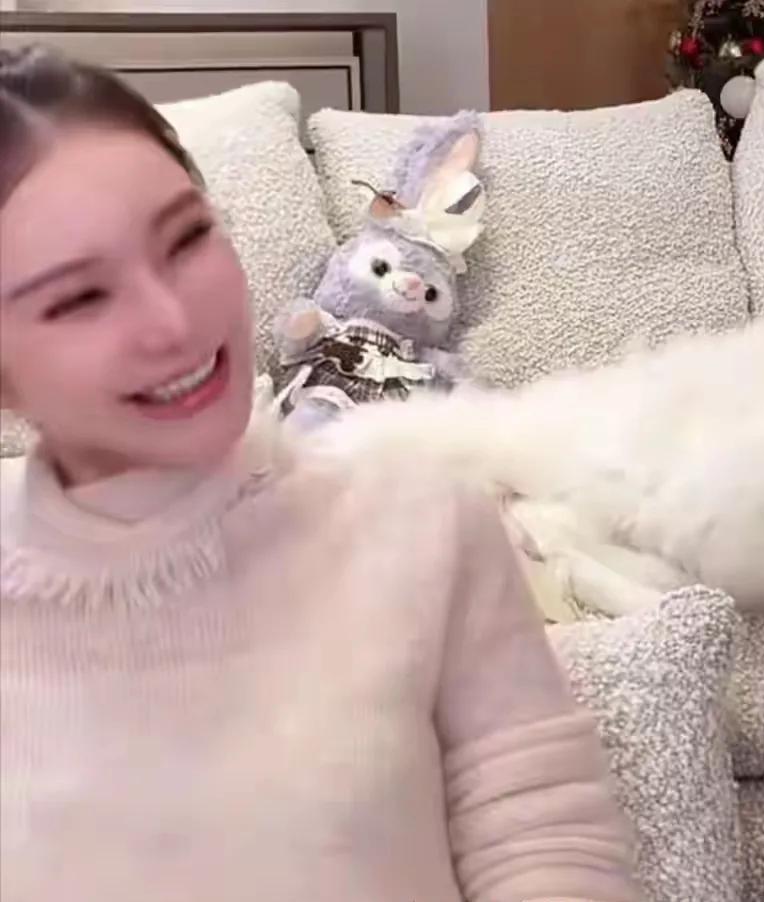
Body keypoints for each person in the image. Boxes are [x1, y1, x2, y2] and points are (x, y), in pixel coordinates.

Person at [0, 45, 640, 902]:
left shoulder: (423, 519)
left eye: (186, 238)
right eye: (81, 297)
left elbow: (541, 835)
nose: (172, 321)